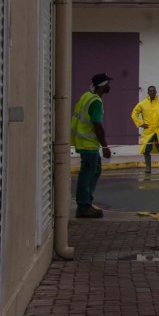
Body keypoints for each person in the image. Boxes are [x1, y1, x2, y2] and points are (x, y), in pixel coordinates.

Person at [71, 73, 114, 218]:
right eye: (108, 83)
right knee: (87, 174)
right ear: (102, 85)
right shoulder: (95, 102)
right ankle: (83, 206)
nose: (110, 85)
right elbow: (97, 125)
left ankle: (86, 203)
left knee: (94, 171)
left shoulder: (86, 96)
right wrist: (105, 146)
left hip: (86, 143)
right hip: (89, 144)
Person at [131, 85, 159, 174]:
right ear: (148, 93)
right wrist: (141, 124)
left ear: (156, 92)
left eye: (153, 91)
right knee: (146, 149)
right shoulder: (142, 103)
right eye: (150, 91)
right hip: (148, 131)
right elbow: (134, 113)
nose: (152, 92)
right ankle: (148, 168)